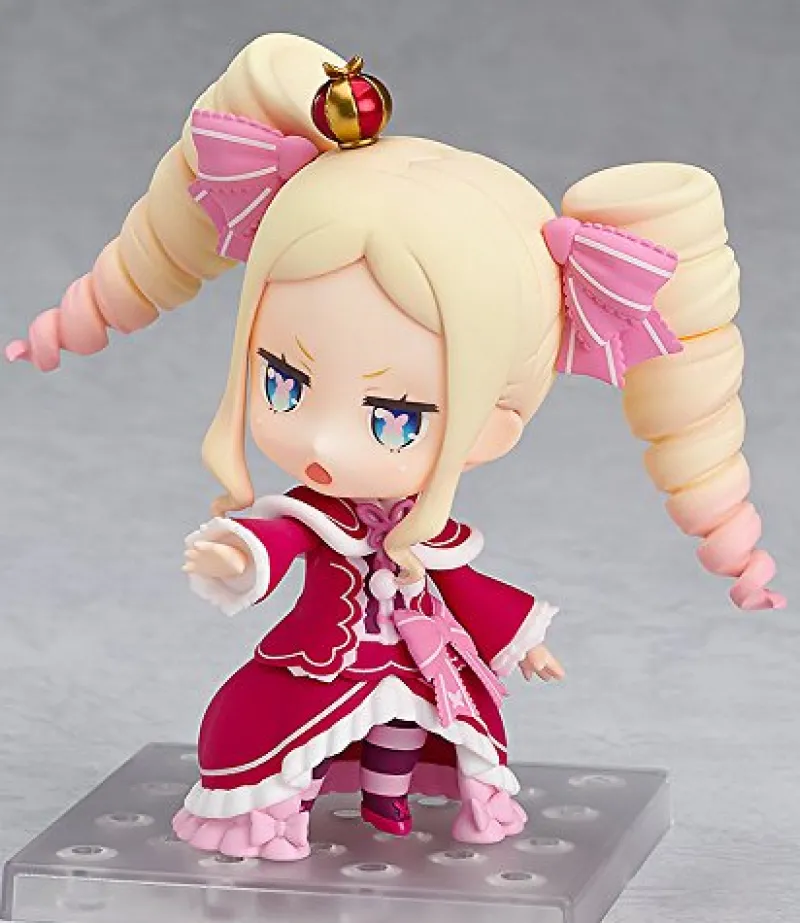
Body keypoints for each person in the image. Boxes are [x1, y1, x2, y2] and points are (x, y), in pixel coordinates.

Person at [5, 34, 783, 862]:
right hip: (319, 665)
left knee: (411, 731)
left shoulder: (427, 532)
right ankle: (281, 814)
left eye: (394, 418)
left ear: (493, 427)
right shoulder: (321, 516)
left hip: (416, 662)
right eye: (283, 383)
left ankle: (389, 802)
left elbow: (469, 590)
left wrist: (523, 637)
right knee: (274, 732)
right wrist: (239, 557)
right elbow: (280, 538)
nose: (322, 441)